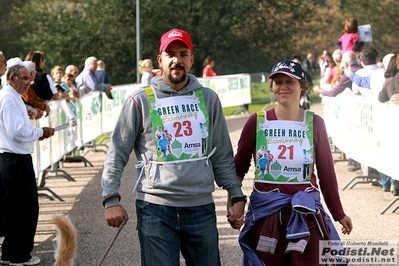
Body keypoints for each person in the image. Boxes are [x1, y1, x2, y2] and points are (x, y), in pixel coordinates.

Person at [101, 28, 246, 266]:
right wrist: (111, 199)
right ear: (160, 60)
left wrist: (236, 193)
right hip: (155, 208)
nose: (177, 59)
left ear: (192, 59)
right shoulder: (139, 100)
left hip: (200, 207)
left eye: (183, 53)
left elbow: (221, 154)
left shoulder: (208, 100)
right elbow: (116, 152)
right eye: (170, 54)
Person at [233, 60, 353, 266]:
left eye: (290, 81)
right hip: (267, 215)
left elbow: (326, 173)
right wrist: (235, 202)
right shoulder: (257, 122)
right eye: (278, 82)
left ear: (303, 87)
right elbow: (238, 167)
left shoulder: (315, 123)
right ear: (271, 87)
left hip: (305, 212)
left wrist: (338, 213)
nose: (283, 87)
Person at [0, 64, 55, 265]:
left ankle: (9, 253)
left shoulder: (12, 97)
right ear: (12, 78)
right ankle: (20, 255)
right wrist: (40, 132)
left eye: (28, 79)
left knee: (15, 209)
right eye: (23, 79)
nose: (27, 83)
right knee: (25, 209)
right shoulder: (8, 98)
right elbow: (16, 131)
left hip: (12, 158)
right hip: (14, 159)